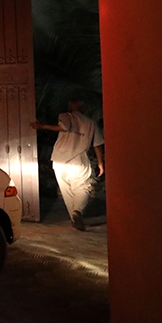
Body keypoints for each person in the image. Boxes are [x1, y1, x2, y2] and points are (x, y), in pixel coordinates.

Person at [31, 97, 104, 231]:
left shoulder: (65, 116)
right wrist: (100, 163)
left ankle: (74, 219)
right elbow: (97, 145)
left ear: (70, 106)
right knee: (82, 188)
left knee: (66, 190)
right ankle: (77, 212)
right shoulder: (90, 123)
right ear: (83, 108)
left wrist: (42, 126)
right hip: (78, 160)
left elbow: (64, 126)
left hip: (59, 160)